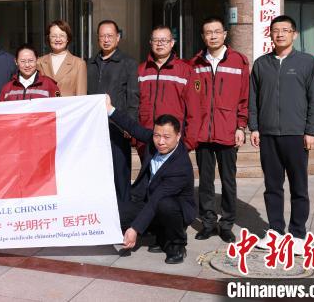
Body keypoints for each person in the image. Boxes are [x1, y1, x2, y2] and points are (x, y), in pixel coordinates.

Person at [249, 15, 314, 255]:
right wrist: (254, 127)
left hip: (296, 135)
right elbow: (253, 99)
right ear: (270, 34)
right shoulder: (261, 64)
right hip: (268, 135)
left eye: (285, 30)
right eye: (276, 30)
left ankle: (298, 234)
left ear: (294, 34)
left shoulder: (307, 62)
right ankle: (275, 231)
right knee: (272, 186)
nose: (280, 34)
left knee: (298, 186)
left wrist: (311, 131)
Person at [105, 95, 196, 264]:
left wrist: (134, 229)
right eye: (157, 135)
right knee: (117, 214)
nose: (160, 142)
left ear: (178, 136)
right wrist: (110, 109)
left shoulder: (180, 166)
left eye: (167, 137)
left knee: (164, 205)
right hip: (149, 199)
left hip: (175, 208)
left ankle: (177, 244)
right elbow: (133, 127)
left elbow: (157, 200)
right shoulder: (154, 141)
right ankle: (159, 234)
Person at [189, 16, 249, 243]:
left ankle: (226, 224)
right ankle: (208, 223)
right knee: (205, 181)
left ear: (225, 34)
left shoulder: (239, 61)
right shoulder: (195, 64)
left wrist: (241, 126)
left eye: (217, 32)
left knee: (228, 180)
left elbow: (244, 97)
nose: (212, 36)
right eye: (208, 32)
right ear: (203, 36)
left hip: (227, 131)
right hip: (202, 133)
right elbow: (192, 98)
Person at [87, 20, 139, 215]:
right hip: (94, 130)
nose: (106, 40)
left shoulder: (128, 63)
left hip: (118, 128)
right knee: (98, 175)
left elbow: (133, 97)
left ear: (118, 38)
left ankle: (123, 217)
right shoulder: (90, 64)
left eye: (110, 36)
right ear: (97, 39)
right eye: (102, 36)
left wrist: (129, 125)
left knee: (120, 174)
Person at [137, 25, 199, 158]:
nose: (160, 43)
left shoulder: (185, 71)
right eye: (156, 40)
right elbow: (134, 105)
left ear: (172, 43)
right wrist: (135, 138)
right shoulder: (141, 71)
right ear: (150, 43)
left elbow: (194, 111)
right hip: (145, 140)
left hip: (173, 141)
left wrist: (189, 142)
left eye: (164, 40)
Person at [37, 20, 87, 96]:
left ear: (67, 38)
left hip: (69, 104)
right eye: (54, 36)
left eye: (62, 36)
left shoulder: (79, 64)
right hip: (46, 103)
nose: (58, 39)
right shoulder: (39, 62)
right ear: (48, 38)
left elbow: (81, 95)